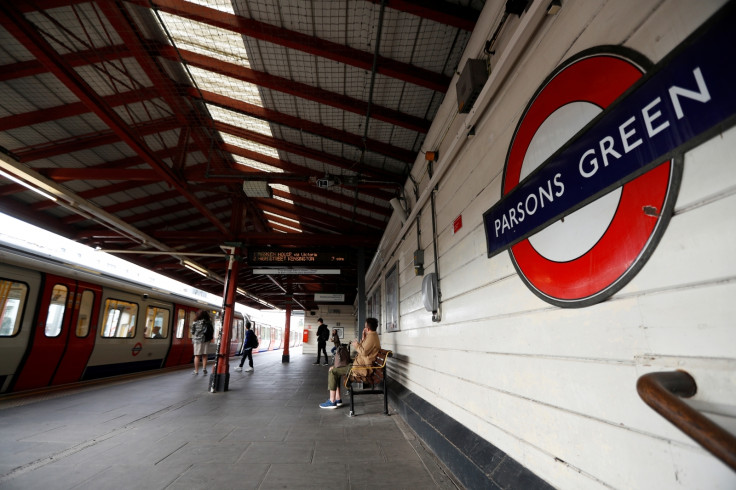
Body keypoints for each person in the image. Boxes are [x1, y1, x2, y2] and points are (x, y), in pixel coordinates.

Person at [320, 317, 380, 409]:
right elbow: (365, 350)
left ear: (367, 328)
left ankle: (332, 401)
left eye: (365, 327)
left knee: (333, 372)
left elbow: (363, 352)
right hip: (359, 365)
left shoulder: (372, 337)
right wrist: (363, 338)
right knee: (333, 368)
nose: (364, 328)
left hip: (362, 368)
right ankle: (338, 399)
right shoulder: (372, 336)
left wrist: (356, 345)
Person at [191, 310, 211, 376]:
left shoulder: (195, 322)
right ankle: (204, 368)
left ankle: (196, 371)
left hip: (197, 340)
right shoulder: (208, 322)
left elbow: (192, 331)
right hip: (206, 340)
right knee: (204, 355)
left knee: (197, 356)